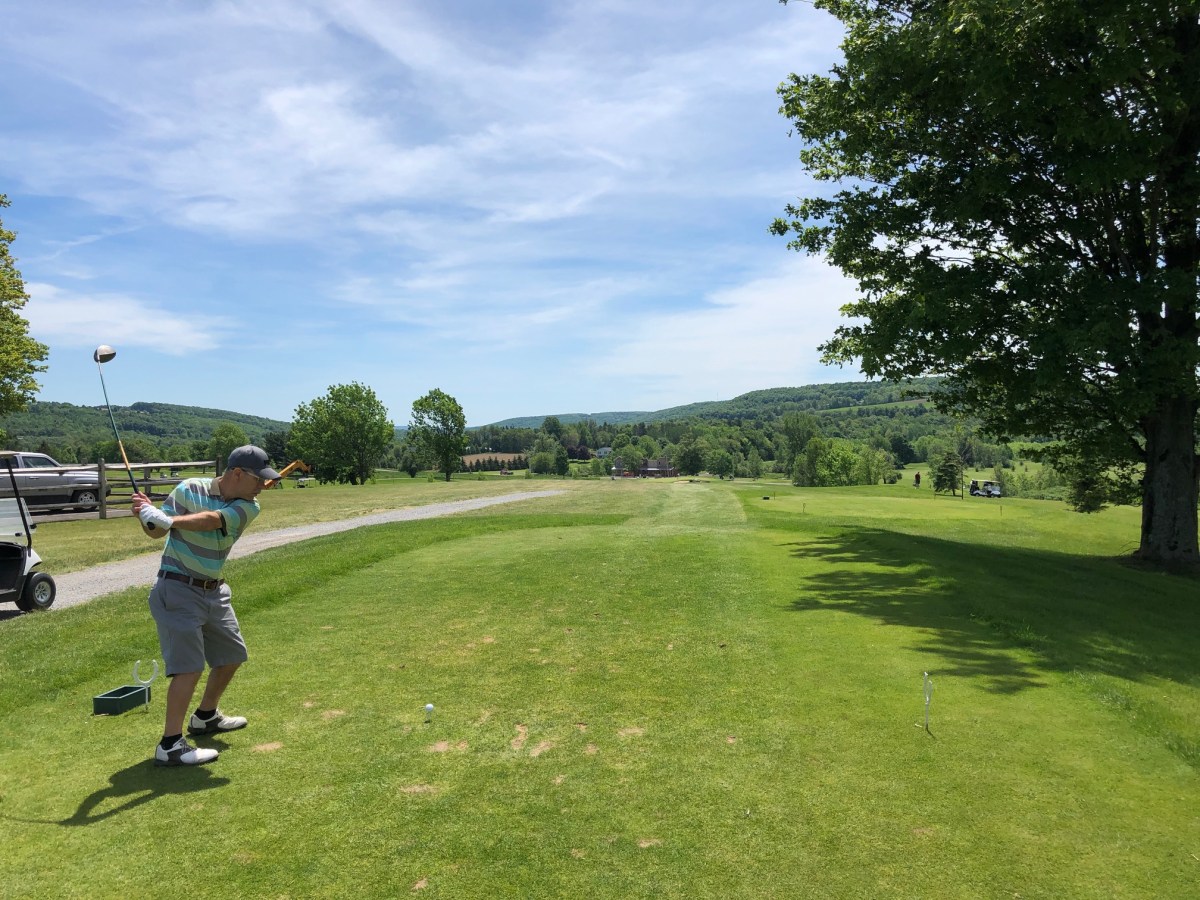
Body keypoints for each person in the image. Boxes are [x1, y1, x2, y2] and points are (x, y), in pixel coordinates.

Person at [132, 445, 280, 767]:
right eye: (258, 479)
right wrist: (146, 515)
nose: (263, 486)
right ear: (237, 473)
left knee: (232, 656)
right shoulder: (189, 488)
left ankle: (205, 716)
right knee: (189, 668)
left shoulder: (249, 505)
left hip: (214, 591)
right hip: (177, 588)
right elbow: (156, 532)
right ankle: (170, 745)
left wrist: (168, 519)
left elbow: (213, 520)